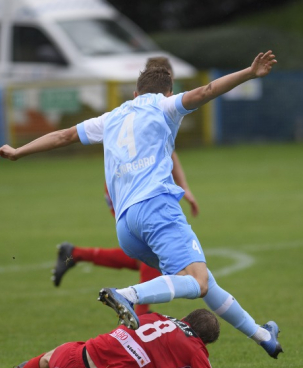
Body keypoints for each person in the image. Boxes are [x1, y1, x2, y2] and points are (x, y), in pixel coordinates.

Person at [0, 51, 283, 359]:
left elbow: (64, 136)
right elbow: (207, 91)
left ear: (134, 94)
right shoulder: (166, 105)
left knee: (203, 281)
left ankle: (263, 335)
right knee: (196, 281)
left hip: (126, 227)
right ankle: (128, 295)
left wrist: (19, 151)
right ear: (168, 92)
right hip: (157, 209)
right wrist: (249, 73)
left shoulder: (112, 117)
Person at [51, 57, 199, 318]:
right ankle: (136, 314)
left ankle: (76, 254)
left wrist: (184, 186)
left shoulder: (143, 107)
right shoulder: (152, 108)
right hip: (131, 188)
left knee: (145, 251)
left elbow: (168, 152)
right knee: (153, 247)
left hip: (127, 187)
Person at [6, 309, 269, 368]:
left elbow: (133, 357)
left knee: (51, 356)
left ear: (186, 318)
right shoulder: (195, 348)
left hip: (71, 357)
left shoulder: (154, 317)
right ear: (205, 341)